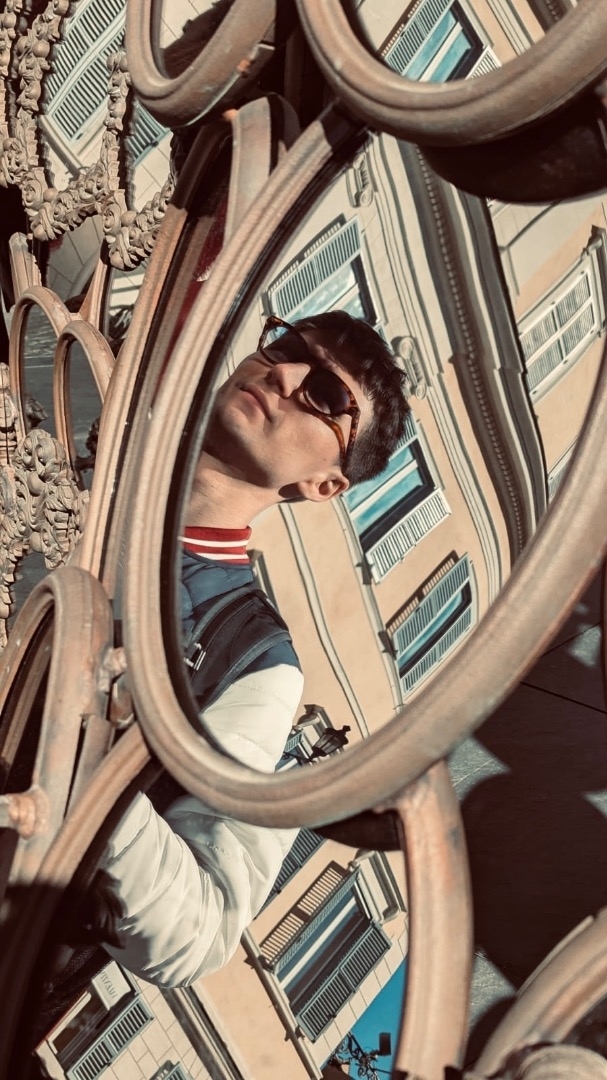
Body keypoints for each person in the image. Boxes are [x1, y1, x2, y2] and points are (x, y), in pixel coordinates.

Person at [99, 310, 410, 988]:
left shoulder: (256, 660)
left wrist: (86, 768)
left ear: (324, 484)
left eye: (326, 394)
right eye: (287, 346)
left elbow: (199, 931)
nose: (285, 373)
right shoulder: (82, 414)